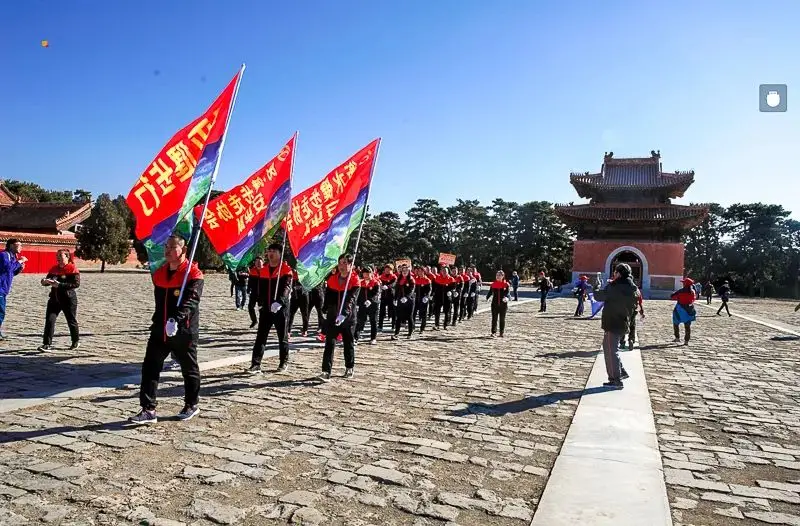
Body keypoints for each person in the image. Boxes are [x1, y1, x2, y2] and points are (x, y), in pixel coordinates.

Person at [127, 235, 203, 425]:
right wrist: (162, 322)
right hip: (160, 329)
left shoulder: (193, 273)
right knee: (150, 368)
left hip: (183, 331)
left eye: (172, 247)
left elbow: (192, 300)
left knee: (189, 369)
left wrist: (176, 319)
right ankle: (148, 409)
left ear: (183, 250)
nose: (167, 250)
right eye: (166, 247)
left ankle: (191, 404)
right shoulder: (160, 273)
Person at [247, 244, 293, 374]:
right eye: (269, 251)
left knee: (282, 337)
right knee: (261, 336)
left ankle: (283, 362)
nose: (270, 253)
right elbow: (260, 289)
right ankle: (255, 364)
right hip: (266, 309)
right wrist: (260, 303)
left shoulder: (286, 270)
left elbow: (286, 288)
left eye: (274, 251)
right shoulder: (264, 269)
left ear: (280, 253)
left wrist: (280, 302)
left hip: (280, 309)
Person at [594, 263, 639, 388]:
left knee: (610, 351)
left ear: (618, 273)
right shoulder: (632, 287)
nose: (614, 274)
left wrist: (596, 287)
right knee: (611, 349)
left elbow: (599, 296)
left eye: (615, 272)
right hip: (623, 321)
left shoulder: (615, 286)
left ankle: (615, 379)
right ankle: (620, 372)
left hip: (612, 322)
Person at [320, 254, 360, 381]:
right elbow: (329, 297)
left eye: (344, 263)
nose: (341, 266)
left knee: (348, 343)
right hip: (333, 317)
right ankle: (326, 371)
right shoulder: (332, 279)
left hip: (348, 318)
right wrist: (325, 309)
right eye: (340, 263)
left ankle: (349, 367)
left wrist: (344, 314)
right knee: (329, 343)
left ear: (350, 265)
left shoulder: (354, 280)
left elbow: (351, 299)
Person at [38, 249, 81, 351]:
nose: (58, 258)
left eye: (61, 256)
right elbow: (48, 280)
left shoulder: (72, 268)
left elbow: (76, 284)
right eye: (57, 256)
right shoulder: (54, 268)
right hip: (54, 299)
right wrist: (44, 282)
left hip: (68, 298)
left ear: (67, 257)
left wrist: (60, 285)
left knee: (71, 321)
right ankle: (46, 344)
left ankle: (75, 341)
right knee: (49, 321)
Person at [0, 238, 27, 340]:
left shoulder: (12, 257)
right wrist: (20, 261)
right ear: (11, 245)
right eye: (18, 245)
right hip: (0, 288)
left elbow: (10, 272)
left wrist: (19, 268)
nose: (21, 247)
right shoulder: (4, 255)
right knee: (0, 312)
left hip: (4, 288)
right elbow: (7, 268)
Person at [355, 266, 380, 344]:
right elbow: (358, 295)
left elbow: (376, 293)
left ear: (371, 273)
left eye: (367, 274)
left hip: (373, 305)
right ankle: (355, 338)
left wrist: (370, 300)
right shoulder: (360, 282)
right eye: (364, 274)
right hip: (363, 305)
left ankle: (373, 338)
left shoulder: (376, 282)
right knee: (360, 321)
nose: (366, 276)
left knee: (373, 321)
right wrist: (357, 304)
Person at [671, 277, 698, 346]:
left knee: (675, 323)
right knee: (687, 326)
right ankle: (686, 341)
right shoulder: (693, 292)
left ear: (685, 284)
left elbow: (673, 296)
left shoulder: (681, 291)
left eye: (683, 283)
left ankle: (677, 337)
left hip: (679, 309)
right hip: (689, 309)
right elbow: (694, 299)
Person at [392, 265, 416, 340]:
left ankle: (410, 332)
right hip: (400, 300)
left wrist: (406, 297)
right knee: (398, 317)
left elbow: (411, 290)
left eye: (406, 270)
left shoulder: (411, 279)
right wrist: (395, 299)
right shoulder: (399, 279)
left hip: (409, 301)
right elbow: (396, 290)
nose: (404, 272)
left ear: (409, 271)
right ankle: (396, 333)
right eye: (403, 270)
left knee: (409, 317)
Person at [486, 270, 510, 337]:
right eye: (497, 275)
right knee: (494, 318)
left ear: (503, 276)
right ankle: (493, 332)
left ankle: (501, 332)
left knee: (502, 319)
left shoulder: (506, 284)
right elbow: (490, 292)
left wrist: (506, 297)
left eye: (499, 275)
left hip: (503, 304)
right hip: (494, 304)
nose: (498, 276)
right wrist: (487, 297)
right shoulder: (493, 284)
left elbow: (508, 293)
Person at [288, 269, 310, 337]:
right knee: (291, 314)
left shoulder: (305, 273)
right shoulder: (291, 272)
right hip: (294, 296)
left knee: (305, 313)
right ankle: (288, 331)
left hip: (304, 296)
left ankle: (305, 330)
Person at [432, 266, 455, 330]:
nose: (444, 272)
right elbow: (434, 288)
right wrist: (433, 295)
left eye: (446, 271)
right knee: (437, 312)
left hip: (447, 298)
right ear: (441, 271)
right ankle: (437, 324)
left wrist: (451, 292)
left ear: (448, 272)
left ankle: (446, 324)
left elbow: (453, 289)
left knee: (447, 312)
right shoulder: (437, 278)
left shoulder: (451, 279)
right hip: (438, 297)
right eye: (443, 271)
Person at [246, 257, 267, 328]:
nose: (258, 263)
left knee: (262, 309)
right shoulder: (252, 271)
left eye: (259, 261)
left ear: (263, 262)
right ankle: (254, 320)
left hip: (263, 294)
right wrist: (248, 289)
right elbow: (250, 281)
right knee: (250, 307)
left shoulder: (266, 270)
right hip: (254, 293)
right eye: (256, 261)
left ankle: (262, 323)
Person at [378, 264, 397, 331]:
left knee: (393, 311)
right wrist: (381, 286)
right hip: (383, 296)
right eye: (386, 269)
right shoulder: (381, 276)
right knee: (381, 311)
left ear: (391, 270)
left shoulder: (394, 277)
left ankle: (393, 325)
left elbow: (394, 284)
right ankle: (380, 326)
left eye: (389, 269)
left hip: (391, 296)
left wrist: (388, 286)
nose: (387, 271)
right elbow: (379, 283)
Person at [414, 266, 432, 332]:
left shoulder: (427, 280)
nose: (420, 272)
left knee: (423, 314)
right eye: (418, 271)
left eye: (421, 271)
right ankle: (412, 327)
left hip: (424, 299)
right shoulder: (415, 279)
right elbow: (413, 289)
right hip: (416, 299)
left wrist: (427, 296)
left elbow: (429, 290)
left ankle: (422, 328)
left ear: (424, 272)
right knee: (413, 313)